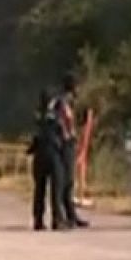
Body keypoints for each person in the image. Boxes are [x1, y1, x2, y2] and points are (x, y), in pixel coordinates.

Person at [48, 73, 89, 228]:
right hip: (64, 144)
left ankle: (70, 214)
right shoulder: (64, 101)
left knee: (67, 182)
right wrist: (69, 134)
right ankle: (62, 216)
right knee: (64, 181)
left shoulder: (60, 100)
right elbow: (65, 119)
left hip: (62, 143)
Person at [27, 90, 67, 230]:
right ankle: (57, 220)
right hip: (53, 155)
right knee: (56, 189)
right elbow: (63, 135)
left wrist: (31, 149)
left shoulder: (37, 117)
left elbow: (34, 138)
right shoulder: (56, 117)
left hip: (39, 155)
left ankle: (38, 220)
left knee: (39, 190)